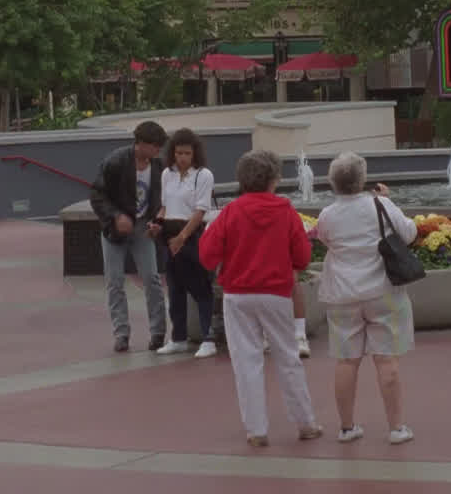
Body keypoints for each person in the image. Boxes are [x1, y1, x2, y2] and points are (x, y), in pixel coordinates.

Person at [198, 150, 323, 448]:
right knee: (288, 357)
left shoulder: (230, 212)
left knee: (246, 361)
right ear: (274, 179)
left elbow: (206, 256)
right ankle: (305, 422)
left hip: (238, 295)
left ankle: (256, 429)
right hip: (277, 293)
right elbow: (303, 258)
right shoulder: (286, 211)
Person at [310, 151, 418, 445]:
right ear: (362, 179)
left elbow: (324, 240)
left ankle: (347, 427)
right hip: (383, 291)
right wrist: (388, 199)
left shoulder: (327, 214)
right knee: (386, 361)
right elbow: (409, 233)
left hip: (342, 294)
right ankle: (396, 428)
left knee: (346, 362)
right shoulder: (379, 204)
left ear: (333, 182)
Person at [90, 121, 169, 354]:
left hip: (143, 226)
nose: (158, 151)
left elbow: (163, 197)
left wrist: (159, 218)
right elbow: (97, 195)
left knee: (152, 278)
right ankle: (121, 333)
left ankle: (158, 332)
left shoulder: (158, 166)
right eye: (154, 146)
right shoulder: (116, 161)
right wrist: (115, 216)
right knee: (115, 281)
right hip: (115, 229)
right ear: (141, 143)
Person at [155, 127, 217, 355]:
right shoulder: (166, 174)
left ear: (194, 154)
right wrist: (157, 224)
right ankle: (178, 337)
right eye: (178, 153)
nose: (181, 158)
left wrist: (182, 237)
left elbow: (200, 210)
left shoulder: (203, 175)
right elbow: (164, 206)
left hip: (191, 234)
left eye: (186, 154)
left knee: (201, 287)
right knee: (175, 287)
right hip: (169, 233)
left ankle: (208, 338)